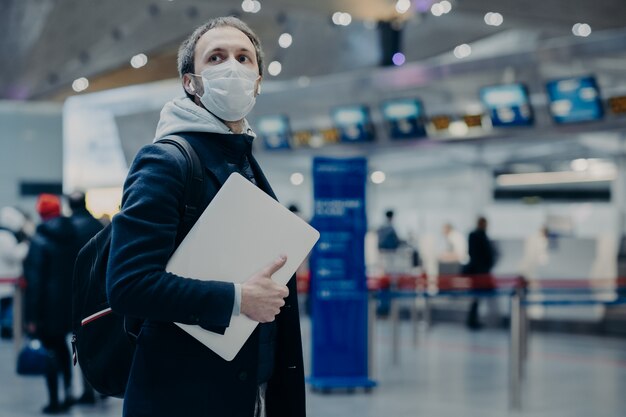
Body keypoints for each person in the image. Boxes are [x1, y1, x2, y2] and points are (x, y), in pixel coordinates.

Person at [106, 17, 305, 417]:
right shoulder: (166, 160)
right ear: (190, 82)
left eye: (243, 58)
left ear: (258, 81)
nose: (232, 66)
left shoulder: (242, 160)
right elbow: (128, 284)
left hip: (249, 393)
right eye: (216, 57)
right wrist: (238, 298)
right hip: (183, 396)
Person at [23, 194, 78, 414]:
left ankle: (54, 399)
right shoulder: (72, 235)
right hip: (68, 305)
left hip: (47, 308)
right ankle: (69, 392)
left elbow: (35, 282)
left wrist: (32, 317)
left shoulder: (39, 240)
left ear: (40, 213)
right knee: (63, 348)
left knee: (50, 351)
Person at [67, 191, 104, 405]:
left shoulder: (68, 228)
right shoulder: (97, 225)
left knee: (80, 339)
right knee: (98, 336)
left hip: (75, 292)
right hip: (97, 291)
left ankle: (87, 388)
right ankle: (101, 383)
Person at [462, 216, 497, 329]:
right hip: (478, 273)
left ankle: (474, 320)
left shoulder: (480, 235)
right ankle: (472, 320)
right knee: (476, 298)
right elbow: (477, 254)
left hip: (481, 272)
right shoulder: (477, 235)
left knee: (477, 298)